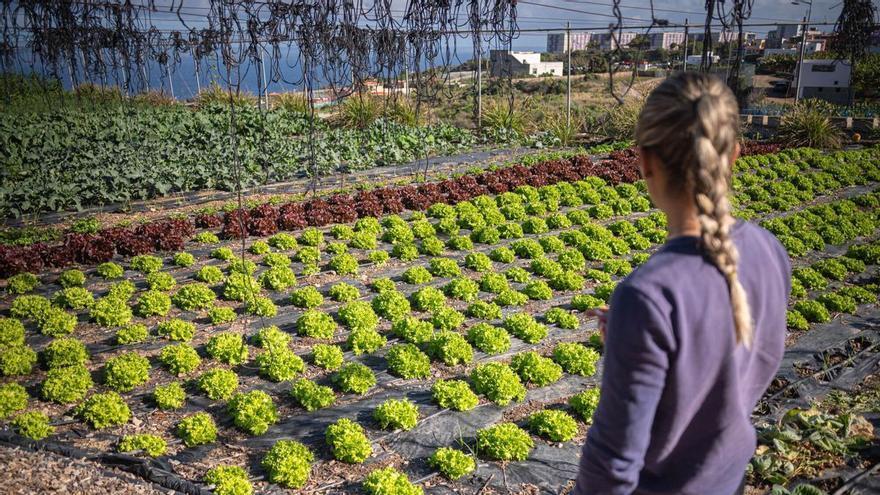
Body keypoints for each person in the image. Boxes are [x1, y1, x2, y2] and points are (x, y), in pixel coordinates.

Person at [573, 72, 791, 495]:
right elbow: (744, 357)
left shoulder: (648, 296)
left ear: (645, 161)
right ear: (733, 157)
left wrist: (644, 326)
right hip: (727, 480)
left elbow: (612, 465)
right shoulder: (769, 251)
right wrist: (641, 336)